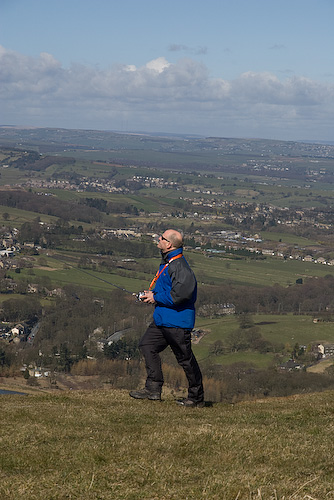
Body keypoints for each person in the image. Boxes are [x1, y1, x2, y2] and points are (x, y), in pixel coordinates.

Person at [129, 229, 204, 407]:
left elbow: (181, 295)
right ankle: (153, 389)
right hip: (162, 319)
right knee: (147, 345)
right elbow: (167, 289)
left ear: (168, 244)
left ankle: (196, 398)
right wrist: (151, 294)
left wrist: (155, 298)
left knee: (186, 360)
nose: (158, 239)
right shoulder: (169, 263)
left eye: (161, 238)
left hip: (177, 323)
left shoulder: (179, 266)